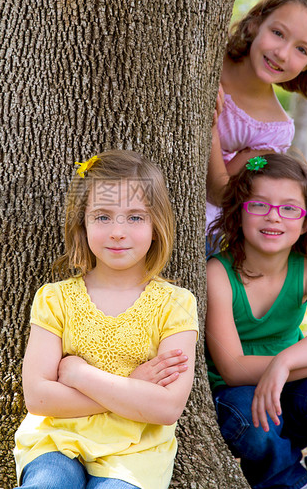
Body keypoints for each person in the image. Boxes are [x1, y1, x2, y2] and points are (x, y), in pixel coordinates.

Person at [14, 150, 199, 489]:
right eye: (102, 217)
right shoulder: (56, 299)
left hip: (136, 451)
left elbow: (167, 407)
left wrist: (79, 374)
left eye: (135, 217)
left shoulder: (175, 304)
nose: (117, 231)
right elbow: (38, 398)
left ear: (157, 226)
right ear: (81, 224)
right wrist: (134, 387)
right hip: (56, 439)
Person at [205, 153, 307, 489]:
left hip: (291, 388)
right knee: (251, 418)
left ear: (306, 221)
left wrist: (285, 363)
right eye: (259, 206)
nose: (274, 218)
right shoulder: (218, 275)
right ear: (238, 213)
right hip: (238, 394)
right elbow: (233, 369)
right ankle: (289, 482)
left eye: (288, 208)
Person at [206, 0, 307, 240]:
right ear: (255, 24)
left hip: (200, 227)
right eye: (278, 33)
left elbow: (220, 192)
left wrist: (210, 130)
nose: (282, 53)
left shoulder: (273, 131)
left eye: (301, 50)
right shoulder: (208, 56)